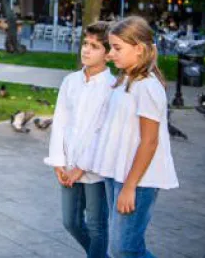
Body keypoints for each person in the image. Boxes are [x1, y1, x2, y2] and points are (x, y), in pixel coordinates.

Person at [79, 16, 179, 257]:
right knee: (120, 247)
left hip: (137, 180)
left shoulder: (148, 86)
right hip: (117, 174)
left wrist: (130, 187)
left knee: (125, 248)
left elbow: (150, 141)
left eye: (116, 48)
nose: (110, 54)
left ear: (139, 48)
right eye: (111, 47)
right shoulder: (125, 80)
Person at [44, 21, 115, 257]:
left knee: (96, 225)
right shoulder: (70, 81)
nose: (86, 50)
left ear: (108, 53)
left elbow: (102, 133)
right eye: (85, 43)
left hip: (94, 168)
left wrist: (82, 168)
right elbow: (60, 121)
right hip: (68, 165)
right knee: (71, 221)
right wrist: (58, 161)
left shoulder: (112, 87)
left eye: (94, 46)